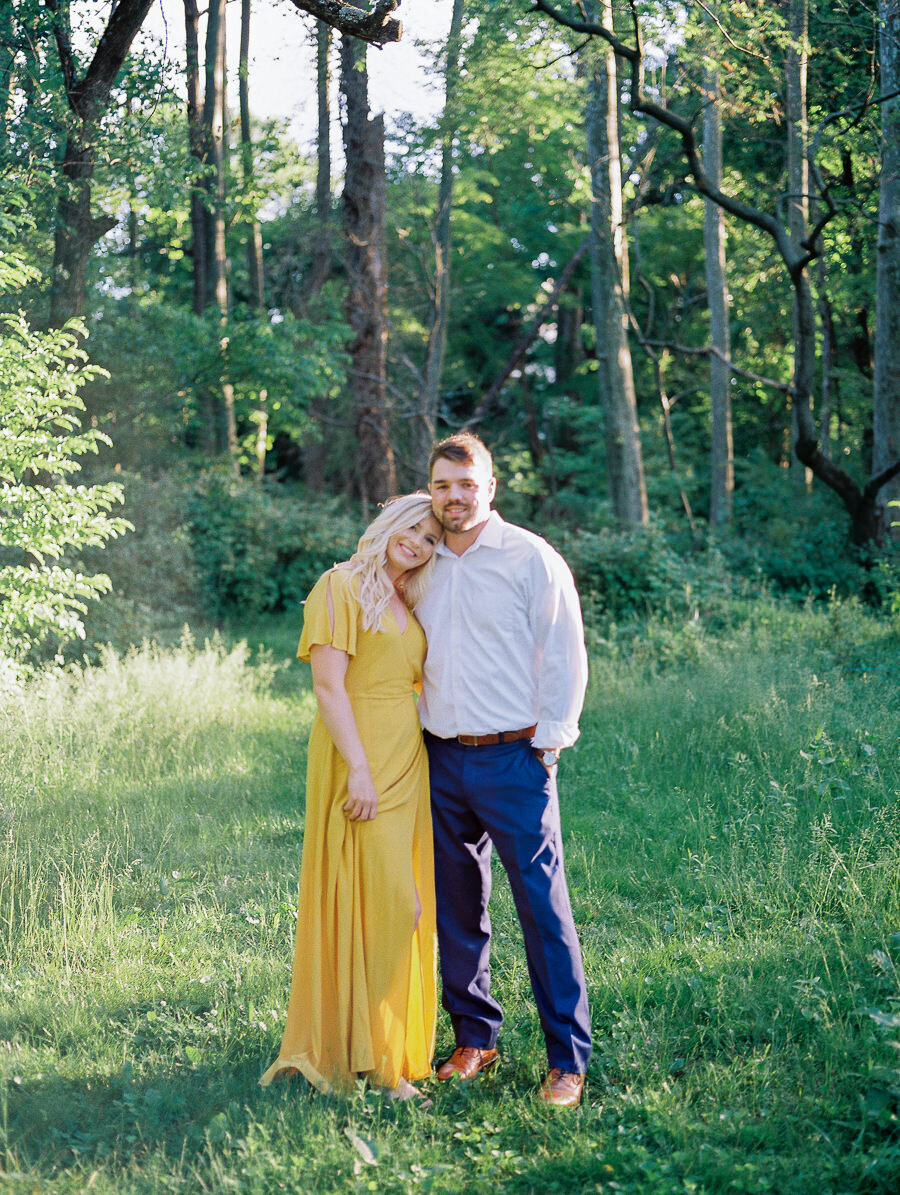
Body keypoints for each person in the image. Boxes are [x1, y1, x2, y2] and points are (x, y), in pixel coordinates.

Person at [416, 433, 591, 1108]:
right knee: (457, 906)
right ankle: (476, 1038)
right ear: (429, 489)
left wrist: (547, 745)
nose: (454, 497)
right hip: (439, 756)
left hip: (513, 757)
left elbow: (564, 654)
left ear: (490, 486)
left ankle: (567, 1060)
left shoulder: (530, 559)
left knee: (542, 907)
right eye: (442, 485)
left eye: (466, 484)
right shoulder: (422, 556)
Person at [260, 493, 442, 1104]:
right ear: (390, 525)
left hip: (406, 761)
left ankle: (378, 1050)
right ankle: (384, 1067)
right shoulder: (340, 585)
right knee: (393, 904)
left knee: (398, 901)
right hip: (357, 758)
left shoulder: (406, 598)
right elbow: (328, 687)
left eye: (430, 539)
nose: (418, 542)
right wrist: (358, 771)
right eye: (412, 528)